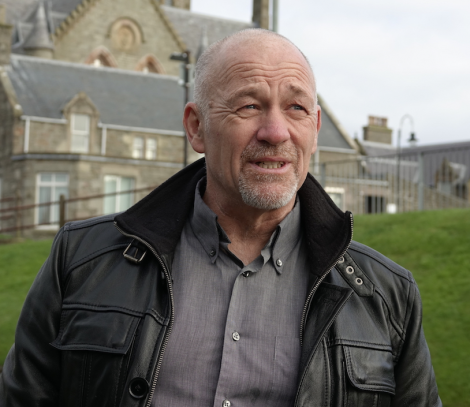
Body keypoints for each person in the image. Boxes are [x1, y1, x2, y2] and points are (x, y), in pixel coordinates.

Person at [0, 29, 441, 407]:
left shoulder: (387, 295)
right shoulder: (81, 261)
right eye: (249, 106)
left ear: (316, 129)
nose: (275, 131)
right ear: (196, 128)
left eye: (296, 108)